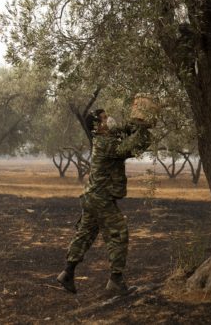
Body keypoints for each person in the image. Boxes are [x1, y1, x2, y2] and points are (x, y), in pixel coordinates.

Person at [56, 109, 153, 295]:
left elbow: (125, 133)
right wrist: (142, 131)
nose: (108, 120)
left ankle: (67, 273)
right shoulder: (106, 144)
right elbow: (132, 147)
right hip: (100, 199)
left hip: (92, 198)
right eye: (104, 118)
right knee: (119, 233)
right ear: (97, 126)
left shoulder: (104, 139)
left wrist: (137, 125)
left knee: (84, 235)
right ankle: (116, 280)